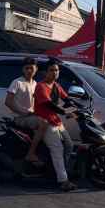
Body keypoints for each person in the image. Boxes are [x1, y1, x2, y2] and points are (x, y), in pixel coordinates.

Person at [33, 59, 77, 192]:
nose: (54, 72)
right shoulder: (41, 86)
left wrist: (77, 107)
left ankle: (58, 171)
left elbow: (67, 99)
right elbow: (48, 104)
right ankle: (63, 180)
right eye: (51, 70)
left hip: (56, 121)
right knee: (57, 149)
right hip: (45, 121)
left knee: (69, 145)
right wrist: (63, 111)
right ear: (45, 72)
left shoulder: (56, 86)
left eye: (56, 70)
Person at [4, 57, 45, 165]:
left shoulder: (36, 84)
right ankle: (31, 154)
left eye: (31, 68)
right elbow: (8, 102)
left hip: (31, 117)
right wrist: (24, 112)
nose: (29, 71)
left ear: (36, 69)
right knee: (42, 123)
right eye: (26, 68)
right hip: (19, 118)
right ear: (23, 69)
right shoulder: (17, 82)